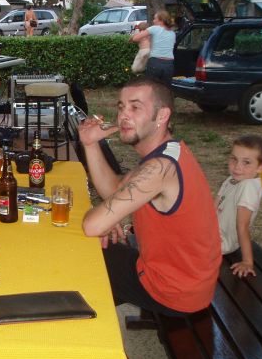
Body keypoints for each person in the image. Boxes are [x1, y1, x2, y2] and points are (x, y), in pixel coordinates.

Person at [79, 77, 221, 315]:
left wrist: (107, 217)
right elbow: (114, 189)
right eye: (121, 107)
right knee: (93, 252)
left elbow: (92, 225)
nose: (124, 115)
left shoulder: (159, 168)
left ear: (162, 115)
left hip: (173, 292)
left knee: (79, 256)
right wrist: (90, 144)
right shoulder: (168, 151)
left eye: (135, 107)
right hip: (187, 281)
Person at [216, 135, 262, 278]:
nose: (237, 166)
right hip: (211, 231)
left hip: (221, 241)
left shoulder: (248, 187)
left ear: (261, 167)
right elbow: (214, 208)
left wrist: (247, 262)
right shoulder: (232, 179)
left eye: (246, 162)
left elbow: (242, 226)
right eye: (234, 159)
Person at [130, 10, 175, 83]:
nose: (153, 21)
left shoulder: (154, 28)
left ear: (161, 20)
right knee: (165, 88)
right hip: (169, 64)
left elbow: (135, 38)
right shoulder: (172, 33)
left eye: (155, 19)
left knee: (152, 86)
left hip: (156, 62)